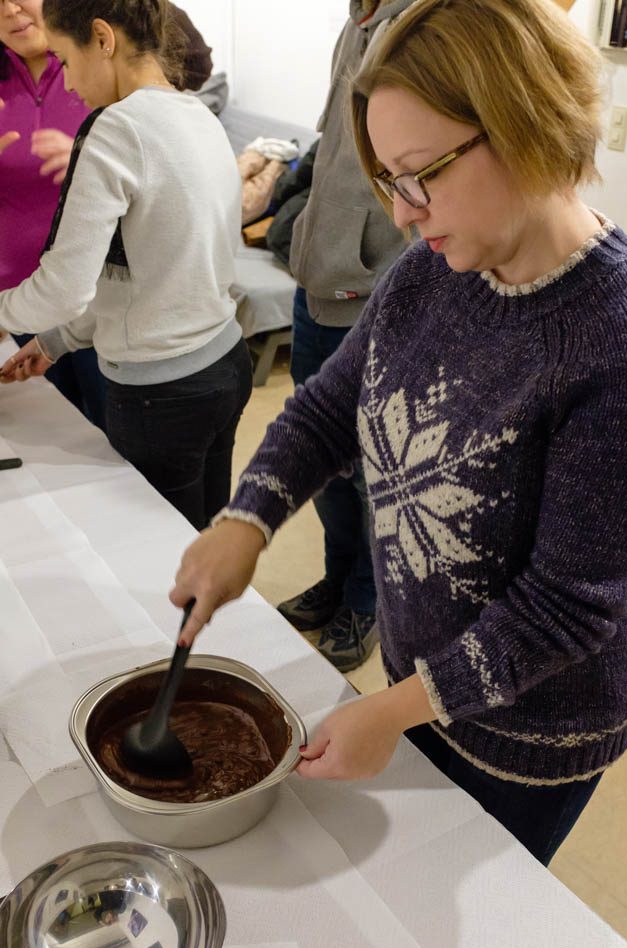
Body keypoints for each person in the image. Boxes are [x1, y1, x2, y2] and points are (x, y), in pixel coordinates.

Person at [170, 0, 627, 866]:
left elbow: (565, 611)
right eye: (390, 182)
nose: (403, 214)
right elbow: (332, 407)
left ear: (524, 125)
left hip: (534, 732)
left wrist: (393, 707)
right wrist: (246, 520)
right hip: (424, 681)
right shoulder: (432, 273)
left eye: (421, 175)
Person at [0, 0, 251, 532]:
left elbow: (64, 287)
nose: (69, 84)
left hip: (162, 393)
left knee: (161, 552)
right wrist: (56, 342)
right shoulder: (195, 114)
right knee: (202, 535)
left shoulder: (113, 129)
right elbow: (145, 273)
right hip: (225, 363)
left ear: (103, 39)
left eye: (68, 60)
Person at [275, 0, 415, 673]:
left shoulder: (422, 22)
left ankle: (366, 602)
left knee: (369, 470)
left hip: (373, 288)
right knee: (327, 459)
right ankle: (337, 579)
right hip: (318, 283)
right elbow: (334, 147)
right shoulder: (354, 21)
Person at [0, 0, 213, 428]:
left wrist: (89, 153)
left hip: (113, 311)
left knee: (118, 453)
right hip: (25, 301)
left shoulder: (125, 101)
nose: (8, 10)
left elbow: (189, 63)